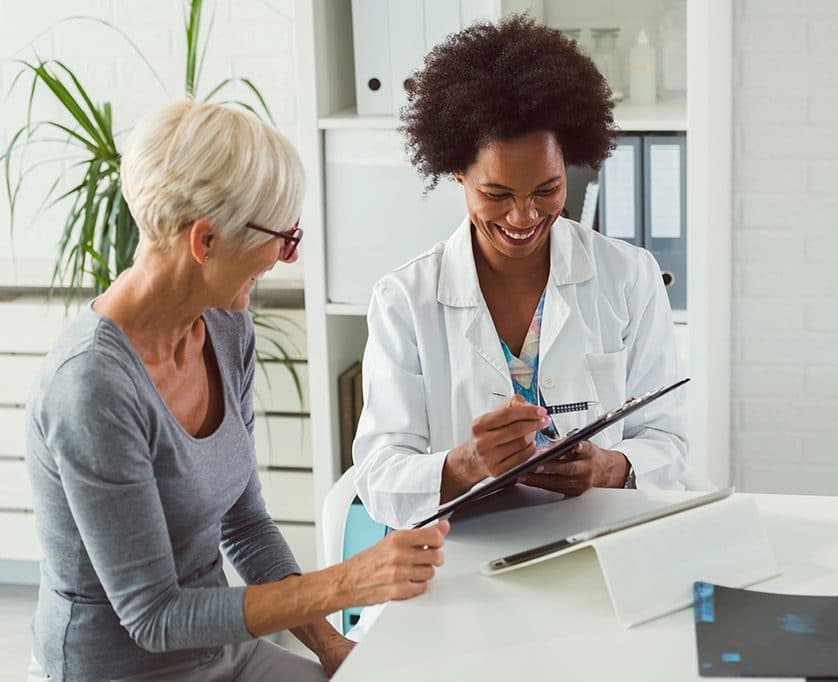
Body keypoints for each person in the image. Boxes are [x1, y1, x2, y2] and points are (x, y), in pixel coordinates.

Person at [25, 99, 449, 682]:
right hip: (122, 670)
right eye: (283, 237)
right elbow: (153, 617)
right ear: (205, 241)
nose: (285, 256)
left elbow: (245, 525)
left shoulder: (224, 328)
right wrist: (343, 584)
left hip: (221, 649)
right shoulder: (91, 387)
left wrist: (328, 646)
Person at [353, 15, 687, 530]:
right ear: (457, 171)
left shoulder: (629, 277)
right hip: (462, 557)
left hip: (600, 544)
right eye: (497, 194)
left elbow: (669, 443)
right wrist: (466, 464)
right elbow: (377, 476)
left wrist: (609, 467)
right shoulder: (404, 299)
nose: (524, 217)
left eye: (547, 190)